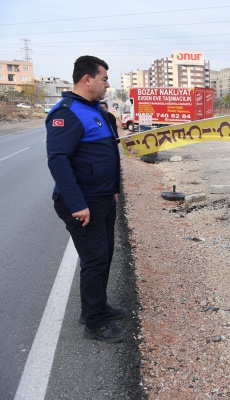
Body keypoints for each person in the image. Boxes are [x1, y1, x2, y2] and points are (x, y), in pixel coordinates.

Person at [46, 55, 128, 343]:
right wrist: (77, 203)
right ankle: (94, 323)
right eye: (104, 78)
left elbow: (106, 155)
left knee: (104, 255)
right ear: (87, 79)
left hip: (102, 197)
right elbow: (58, 161)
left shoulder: (95, 110)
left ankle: (97, 306)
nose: (108, 84)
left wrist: (113, 189)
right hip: (84, 201)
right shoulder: (67, 113)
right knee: (94, 259)